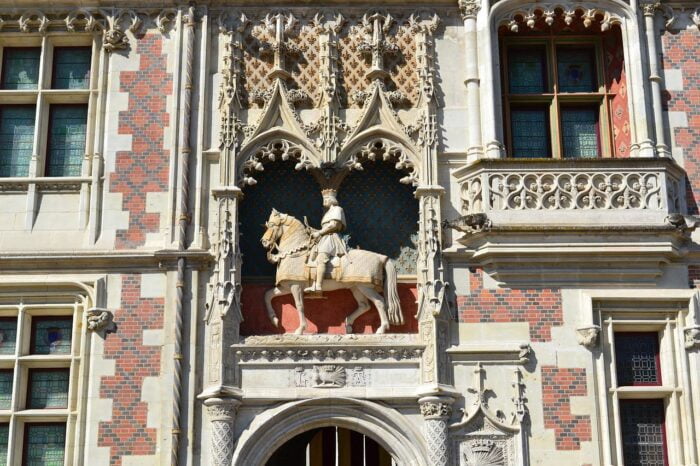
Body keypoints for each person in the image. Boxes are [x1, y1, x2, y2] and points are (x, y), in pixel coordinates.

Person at [305, 189, 347, 293]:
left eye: (326, 199)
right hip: (324, 238)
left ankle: (318, 285)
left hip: (331, 238)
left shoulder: (338, 209)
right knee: (311, 257)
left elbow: (333, 225)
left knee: (321, 257)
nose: (324, 201)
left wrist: (319, 233)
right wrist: (315, 231)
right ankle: (313, 283)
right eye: (324, 199)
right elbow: (325, 227)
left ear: (332, 199)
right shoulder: (328, 212)